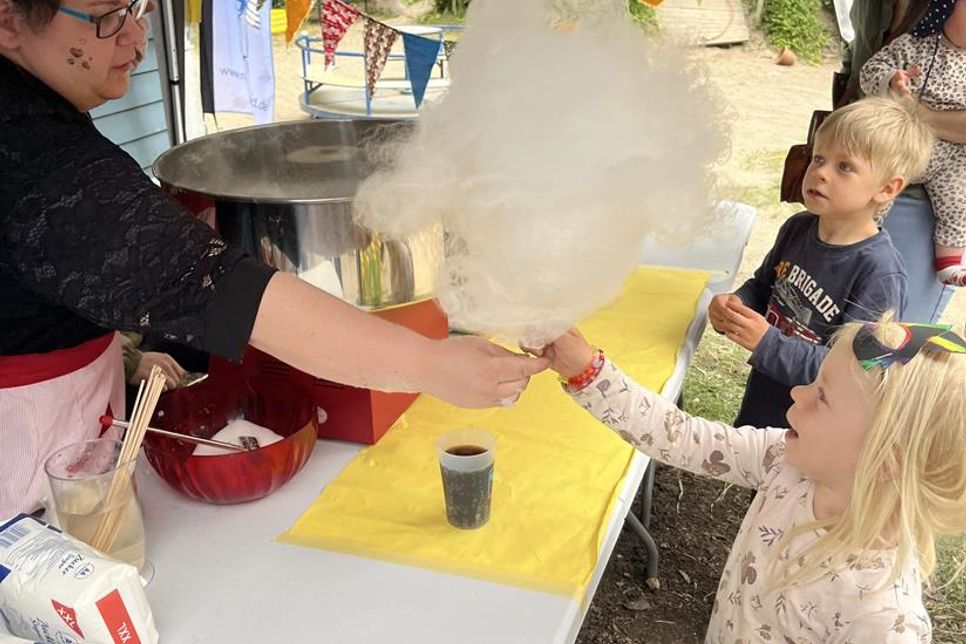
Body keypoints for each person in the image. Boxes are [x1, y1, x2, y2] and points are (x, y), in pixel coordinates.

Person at [0, 0, 547, 518]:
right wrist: (429, 365)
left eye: (137, 8)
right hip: (22, 461)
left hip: (78, 418)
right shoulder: (30, 151)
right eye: (105, 17)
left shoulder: (40, 99)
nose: (137, 37)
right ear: (9, 21)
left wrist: (125, 358)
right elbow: (223, 290)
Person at [535, 319, 965, 641]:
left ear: (885, 460)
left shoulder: (883, 618)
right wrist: (587, 369)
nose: (798, 392)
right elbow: (681, 437)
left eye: (822, 396)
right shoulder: (786, 461)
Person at [708, 97, 931, 428]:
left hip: (815, 431)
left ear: (887, 188)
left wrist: (768, 343)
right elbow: (764, 287)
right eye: (818, 158)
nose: (820, 173)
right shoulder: (797, 228)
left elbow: (856, 372)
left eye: (845, 166)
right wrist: (735, 305)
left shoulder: (880, 273)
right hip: (763, 404)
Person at [844, 0, 962, 321]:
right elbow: (862, 62)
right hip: (863, 173)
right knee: (829, 316)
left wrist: (916, 115)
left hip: (928, 204)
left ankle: (950, 255)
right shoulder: (908, 38)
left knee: (889, 329)